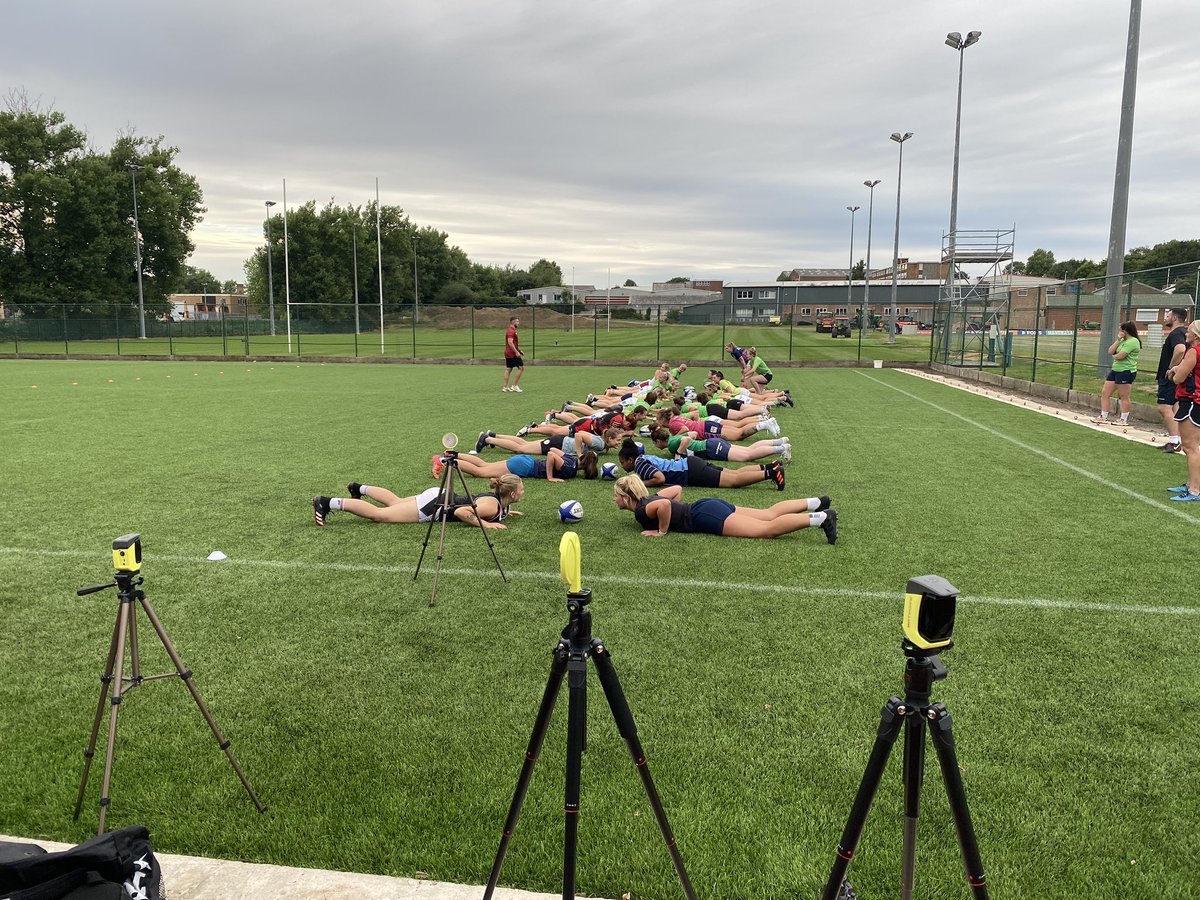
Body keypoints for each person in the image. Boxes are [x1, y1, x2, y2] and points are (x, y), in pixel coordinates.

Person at [612, 474, 837, 542]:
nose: (614, 500)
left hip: (704, 516)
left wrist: (661, 530)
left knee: (766, 528)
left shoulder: (642, 511)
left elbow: (663, 505)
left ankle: (821, 517)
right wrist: (676, 510)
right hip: (707, 505)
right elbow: (675, 490)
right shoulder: (649, 497)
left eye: (616, 496)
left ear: (626, 496)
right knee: (768, 514)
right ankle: (816, 501)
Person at [312, 476, 523, 527]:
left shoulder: (499, 503)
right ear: (511, 494)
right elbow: (462, 513)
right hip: (435, 506)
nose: (523, 491)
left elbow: (485, 507)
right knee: (380, 515)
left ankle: (358, 488)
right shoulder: (493, 505)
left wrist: (506, 514)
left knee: (394, 502)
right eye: (521, 489)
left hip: (439, 495)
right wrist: (487, 524)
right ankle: (326, 502)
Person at [617, 438, 785, 490]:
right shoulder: (643, 458)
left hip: (691, 471)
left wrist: (639, 484)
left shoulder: (640, 466)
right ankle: (771, 466)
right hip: (690, 464)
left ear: (631, 459)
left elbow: (659, 478)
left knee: (733, 482)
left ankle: (772, 473)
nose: (623, 466)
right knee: (734, 474)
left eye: (623, 462)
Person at [1167, 320, 1200, 500]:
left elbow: (1179, 378)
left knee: (1190, 446)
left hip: (1192, 401)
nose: (1186, 334)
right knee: (1191, 446)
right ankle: (1191, 484)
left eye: (1189, 332)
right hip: (1195, 400)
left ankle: (1194, 490)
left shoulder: (1194, 351)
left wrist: (1174, 372)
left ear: (1196, 335)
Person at [442, 447, 599, 483]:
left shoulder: (572, 459)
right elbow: (551, 455)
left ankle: (452, 454)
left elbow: (553, 450)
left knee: (484, 465)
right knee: (479, 472)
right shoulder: (570, 469)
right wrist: (550, 477)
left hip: (526, 461)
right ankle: (444, 461)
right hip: (525, 467)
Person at [649, 427, 791, 463]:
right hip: (711, 444)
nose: (655, 446)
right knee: (748, 449)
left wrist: (678, 454)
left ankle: (781, 448)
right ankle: (781, 441)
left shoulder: (672, 444)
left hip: (710, 448)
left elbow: (686, 441)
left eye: (654, 443)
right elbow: (691, 434)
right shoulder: (674, 437)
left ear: (659, 441)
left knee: (746, 456)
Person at [1156, 308, 1190, 453]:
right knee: (1176, 408)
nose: (1165, 318)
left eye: (1168, 316)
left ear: (1175, 318)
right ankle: (1179, 440)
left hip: (1169, 377)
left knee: (1164, 407)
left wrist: (1171, 367)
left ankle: (1174, 441)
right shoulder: (1184, 333)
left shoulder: (1176, 333)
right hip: (1179, 376)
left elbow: (1180, 349)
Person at [1093, 321, 1141, 425]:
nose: (1119, 331)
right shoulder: (1122, 340)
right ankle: (1103, 416)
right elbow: (1110, 351)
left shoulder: (1133, 341)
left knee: (1124, 396)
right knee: (1105, 393)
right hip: (1116, 370)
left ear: (1125, 330)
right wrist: (1118, 340)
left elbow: (1120, 356)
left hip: (1126, 371)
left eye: (1121, 330)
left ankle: (1123, 419)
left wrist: (1115, 356)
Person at [502, 316, 524, 392]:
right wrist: (516, 352)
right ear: (513, 322)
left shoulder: (512, 330)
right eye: (517, 321)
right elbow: (510, 342)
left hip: (508, 352)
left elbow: (514, 343)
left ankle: (505, 387)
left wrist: (519, 350)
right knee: (521, 368)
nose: (518, 323)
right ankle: (514, 386)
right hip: (512, 353)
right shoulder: (511, 330)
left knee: (509, 369)